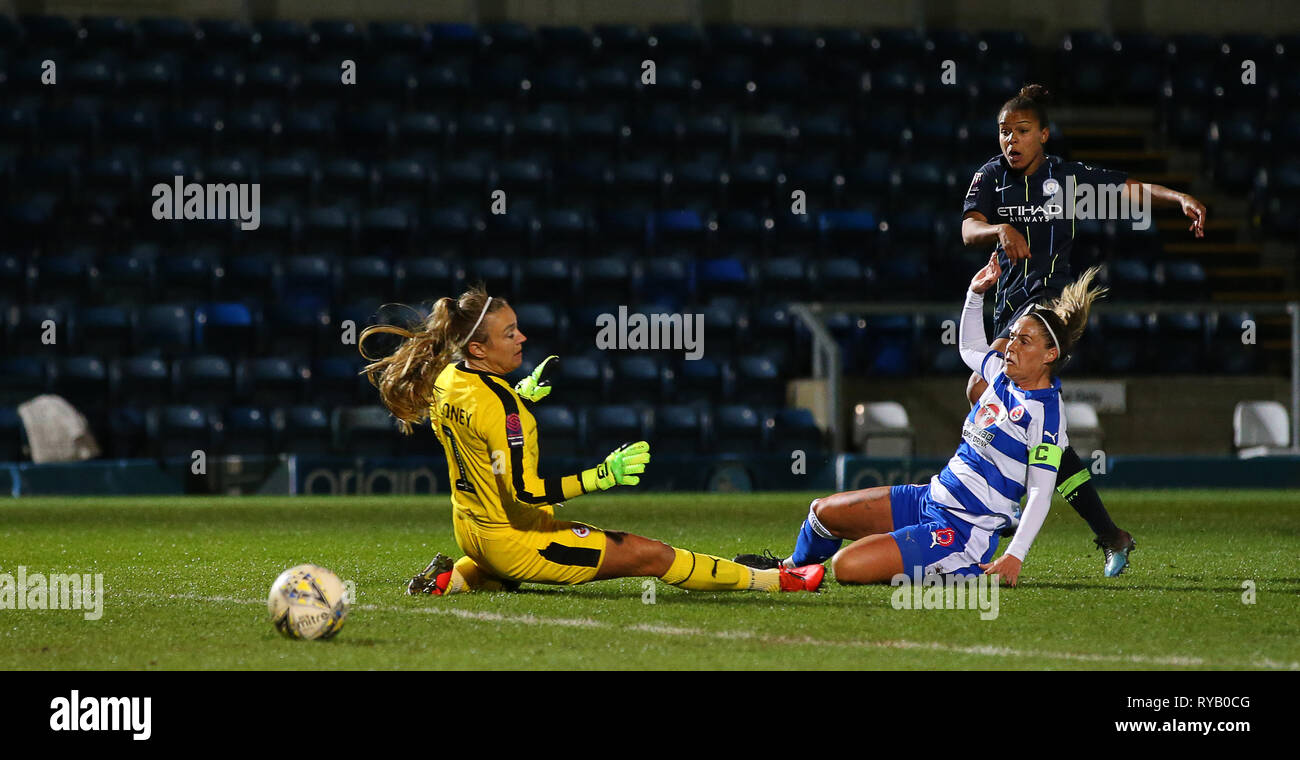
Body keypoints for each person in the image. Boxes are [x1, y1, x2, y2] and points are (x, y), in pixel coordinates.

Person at [357, 286, 826, 596]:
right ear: (478, 349)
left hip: (470, 531)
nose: (522, 337)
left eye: (516, 325)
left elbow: (475, 419)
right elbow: (525, 491)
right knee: (653, 555)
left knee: (505, 572)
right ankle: (776, 580)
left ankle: (449, 579)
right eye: (508, 333)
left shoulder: (447, 378)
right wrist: (603, 476)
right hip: (516, 539)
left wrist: (515, 393)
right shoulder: (504, 411)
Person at [959, 83, 1207, 576]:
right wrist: (997, 230)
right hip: (1009, 309)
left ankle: (1003, 506)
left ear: (1044, 135)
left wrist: (1176, 196)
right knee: (1048, 443)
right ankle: (1109, 533)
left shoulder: (1065, 179)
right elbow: (969, 228)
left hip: (1048, 311)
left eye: (1023, 131)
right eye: (1005, 131)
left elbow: (1127, 191)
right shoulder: (990, 176)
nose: (1012, 140)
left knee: (981, 386)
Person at [737, 256, 1105, 586]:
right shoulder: (1002, 377)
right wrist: (975, 294)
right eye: (1013, 338)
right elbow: (970, 350)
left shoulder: (1046, 414)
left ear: (1050, 354)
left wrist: (1015, 555)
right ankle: (787, 569)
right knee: (822, 512)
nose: (1010, 346)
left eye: (1024, 341)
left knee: (846, 567)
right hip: (929, 497)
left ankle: (967, 568)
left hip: (961, 528)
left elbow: (1041, 491)